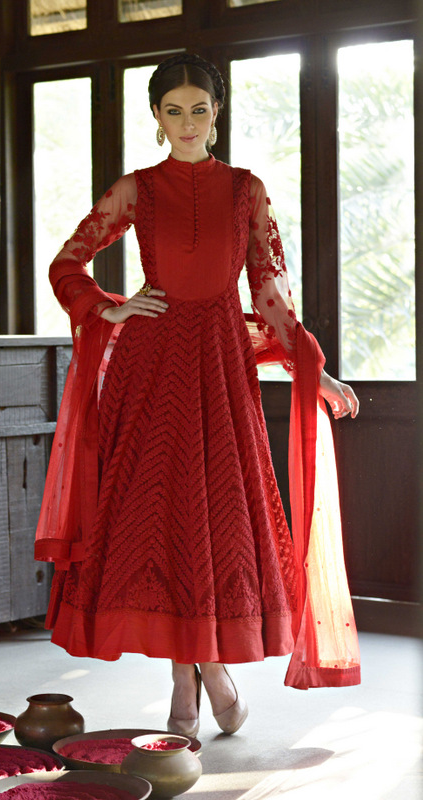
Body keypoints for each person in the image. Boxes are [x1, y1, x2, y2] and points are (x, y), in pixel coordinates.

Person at [35, 53, 361, 738]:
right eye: (173, 111)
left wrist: (315, 371)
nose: (187, 123)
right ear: (157, 117)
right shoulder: (137, 189)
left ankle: (199, 676)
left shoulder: (246, 191)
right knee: (157, 524)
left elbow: (269, 294)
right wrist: (109, 308)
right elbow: (67, 262)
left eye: (199, 110)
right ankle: (197, 676)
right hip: (149, 371)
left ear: (217, 115)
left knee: (214, 525)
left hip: (220, 371)